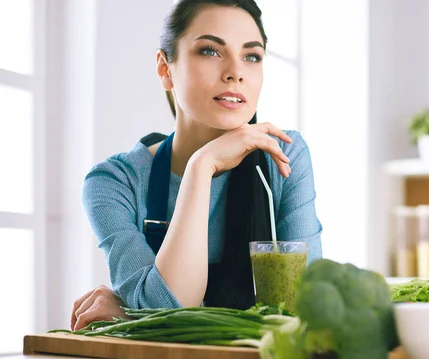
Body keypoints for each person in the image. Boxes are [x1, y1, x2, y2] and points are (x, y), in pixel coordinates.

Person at [69, 0, 322, 331]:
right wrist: (202, 167)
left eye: (252, 56)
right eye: (210, 51)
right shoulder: (114, 183)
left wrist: (133, 312)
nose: (236, 71)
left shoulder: (284, 155)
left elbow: (305, 308)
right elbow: (169, 308)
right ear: (165, 69)